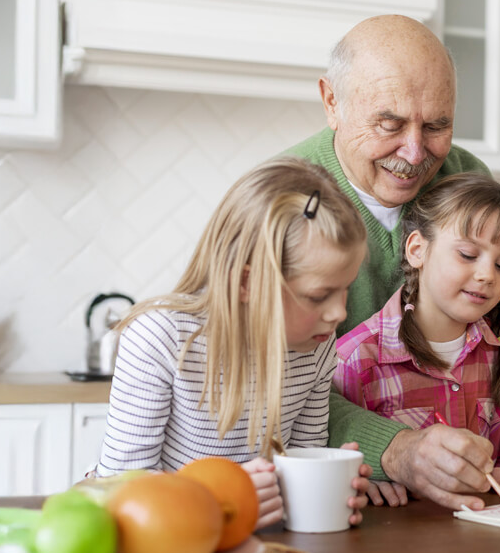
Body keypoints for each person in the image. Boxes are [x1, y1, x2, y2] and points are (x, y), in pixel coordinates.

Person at [281, 14, 500, 510]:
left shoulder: (463, 174)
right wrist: (392, 449)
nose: (414, 152)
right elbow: (274, 381)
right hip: (347, 494)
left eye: (437, 125)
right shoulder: (282, 198)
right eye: (389, 124)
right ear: (331, 102)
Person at [94, 157, 374, 529]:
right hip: (166, 546)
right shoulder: (160, 338)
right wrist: (223, 498)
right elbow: (118, 488)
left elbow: (293, 465)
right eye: (318, 295)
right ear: (247, 283)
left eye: (346, 289)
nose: (338, 312)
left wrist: (325, 487)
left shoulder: (316, 345)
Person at [335, 173, 500, 500]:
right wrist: (365, 479)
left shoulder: (499, 350)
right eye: (468, 255)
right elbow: (331, 459)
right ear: (417, 250)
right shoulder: (357, 358)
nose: (487, 275)